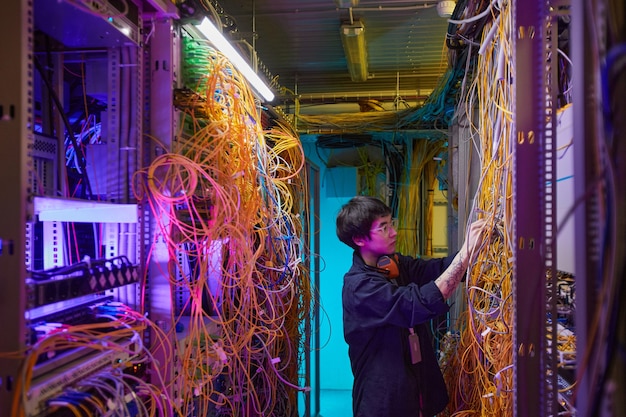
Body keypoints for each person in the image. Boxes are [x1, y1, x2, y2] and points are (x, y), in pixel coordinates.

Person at [335, 196, 486, 417]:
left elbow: (436, 269)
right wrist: (465, 253)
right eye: (383, 228)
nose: (393, 232)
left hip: (416, 393)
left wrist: (476, 251)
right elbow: (418, 302)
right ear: (359, 239)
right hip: (385, 402)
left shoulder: (390, 264)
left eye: (391, 223)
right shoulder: (360, 287)